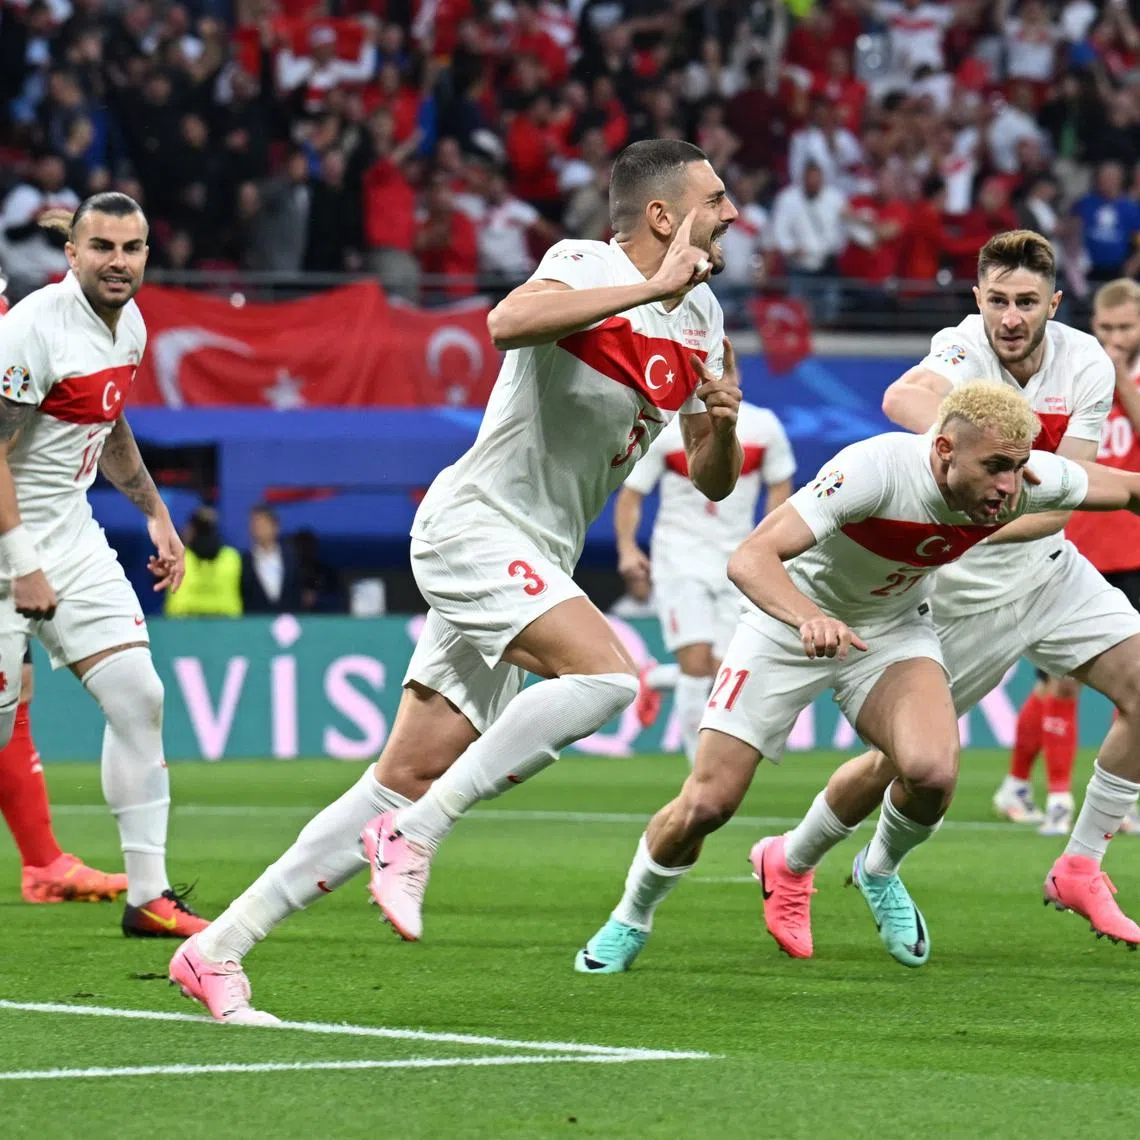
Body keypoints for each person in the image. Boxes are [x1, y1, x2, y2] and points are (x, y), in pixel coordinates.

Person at [171, 138, 743, 1023]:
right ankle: (418, 835)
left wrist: (721, 424)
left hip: (534, 557)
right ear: (663, 216)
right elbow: (506, 324)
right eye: (715, 199)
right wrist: (651, 287)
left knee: (400, 772)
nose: (734, 213)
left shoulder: (700, 320)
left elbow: (709, 479)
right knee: (604, 678)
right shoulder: (588, 263)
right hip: (474, 527)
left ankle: (217, 947)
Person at [575, 379, 1140, 974]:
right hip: (786, 620)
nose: (1008, 484)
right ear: (944, 449)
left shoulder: (1020, 480)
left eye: (1018, 467)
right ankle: (631, 916)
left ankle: (878, 869)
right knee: (708, 805)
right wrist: (809, 617)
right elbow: (750, 558)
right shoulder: (874, 471)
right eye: (996, 467)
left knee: (931, 773)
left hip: (892, 629)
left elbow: (1128, 489)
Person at [749, 231, 1140, 966]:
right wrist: (950, 437)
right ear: (978, 300)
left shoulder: (1084, 360)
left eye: (1028, 302)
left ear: (1054, 304)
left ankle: (1081, 864)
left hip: (1050, 571)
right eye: (998, 300)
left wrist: (975, 509)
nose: (1011, 317)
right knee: (902, 765)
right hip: (955, 596)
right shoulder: (961, 346)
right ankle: (796, 859)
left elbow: (1063, 504)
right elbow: (906, 392)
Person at [0, 191, 207, 938]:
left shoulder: (131, 326)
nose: (118, 262)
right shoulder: (32, 329)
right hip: (6, 540)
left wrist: (155, 514)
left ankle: (148, 897)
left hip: (72, 534)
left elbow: (109, 423)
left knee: (138, 694)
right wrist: (20, 563)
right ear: (72, 254)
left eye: (132, 248)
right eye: (104, 248)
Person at [1000, 277, 1140, 836]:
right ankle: (1058, 797)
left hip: (1131, 550)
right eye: (1105, 329)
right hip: (1072, 546)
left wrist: (1120, 376)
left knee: (1122, 682)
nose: (1113, 339)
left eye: (1126, 328)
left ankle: (1018, 784)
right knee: (1059, 682)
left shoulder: (1116, 380)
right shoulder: (1072, 375)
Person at [616, 402, 795, 763]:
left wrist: (774, 548)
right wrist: (626, 548)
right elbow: (632, 494)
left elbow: (780, 490)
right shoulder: (668, 429)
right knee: (695, 664)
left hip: (738, 558)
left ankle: (653, 680)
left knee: (723, 669)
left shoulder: (764, 426)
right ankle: (699, 768)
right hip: (678, 556)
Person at [165, 506, 242, 618]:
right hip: (225, 625)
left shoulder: (176, 558)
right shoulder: (232, 557)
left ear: (191, 530)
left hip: (184, 626)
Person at [240, 504, 300, 615]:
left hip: (288, 624)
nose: (258, 528)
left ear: (275, 526)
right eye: (254, 524)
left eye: (263, 523)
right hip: (255, 624)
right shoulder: (244, 561)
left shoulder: (292, 558)